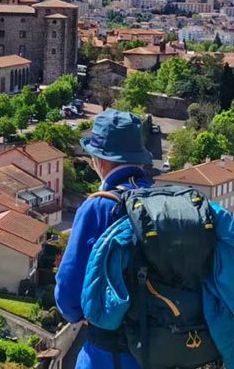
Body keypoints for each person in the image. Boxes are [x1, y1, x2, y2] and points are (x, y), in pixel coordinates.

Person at [56, 108, 154, 369]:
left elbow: (67, 290)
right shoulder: (160, 202)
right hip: (164, 349)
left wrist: (80, 315)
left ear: (100, 160)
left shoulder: (99, 207)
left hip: (110, 355)